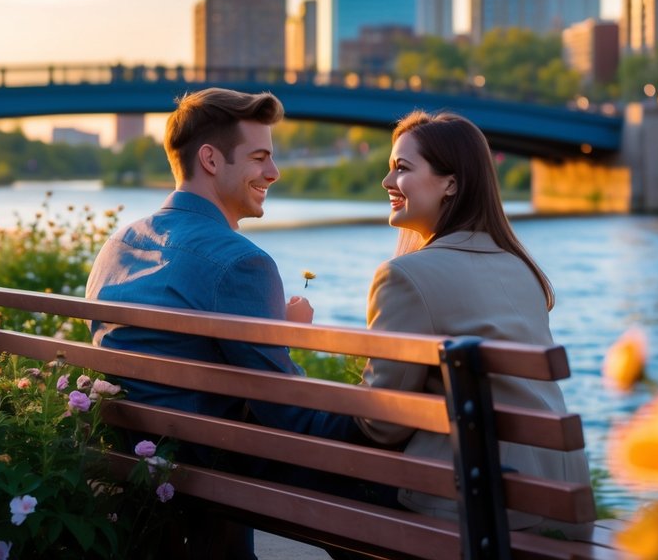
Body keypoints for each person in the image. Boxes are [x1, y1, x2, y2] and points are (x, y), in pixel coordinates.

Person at [85, 87, 361, 557]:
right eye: (259, 158)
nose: (273, 172)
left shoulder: (120, 243)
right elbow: (287, 412)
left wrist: (276, 328)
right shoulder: (239, 263)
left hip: (131, 451)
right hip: (205, 463)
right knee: (385, 470)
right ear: (211, 160)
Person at [356, 110, 591, 532]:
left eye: (401, 169)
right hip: (556, 496)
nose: (387, 183)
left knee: (298, 460)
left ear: (451, 183)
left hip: (477, 505)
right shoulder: (524, 269)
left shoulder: (404, 276)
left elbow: (382, 424)